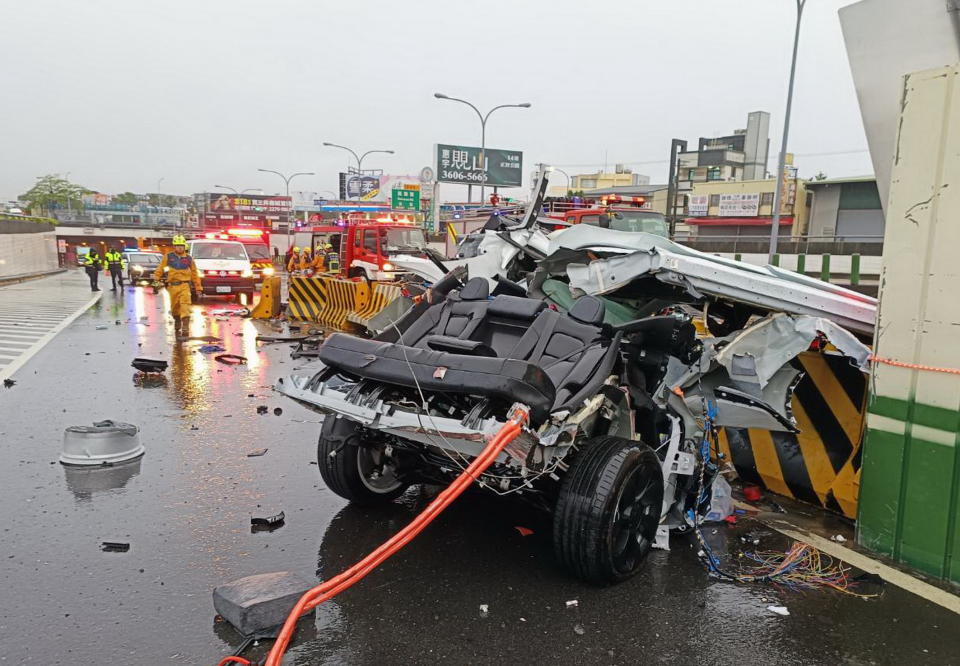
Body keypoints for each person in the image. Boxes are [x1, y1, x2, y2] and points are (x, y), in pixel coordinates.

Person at [154, 235, 202, 341]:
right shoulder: (168, 257)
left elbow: (194, 274)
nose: (179, 248)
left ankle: (185, 328)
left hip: (185, 285)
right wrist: (156, 280)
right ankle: (177, 321)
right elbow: (160, 269)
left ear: (184, 246)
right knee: (175, 307)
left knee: (185, 306)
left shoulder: (189, 259)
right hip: (172, 286)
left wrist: (198, 288)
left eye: (181, 246)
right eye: (177, 246)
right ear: (174, 246)